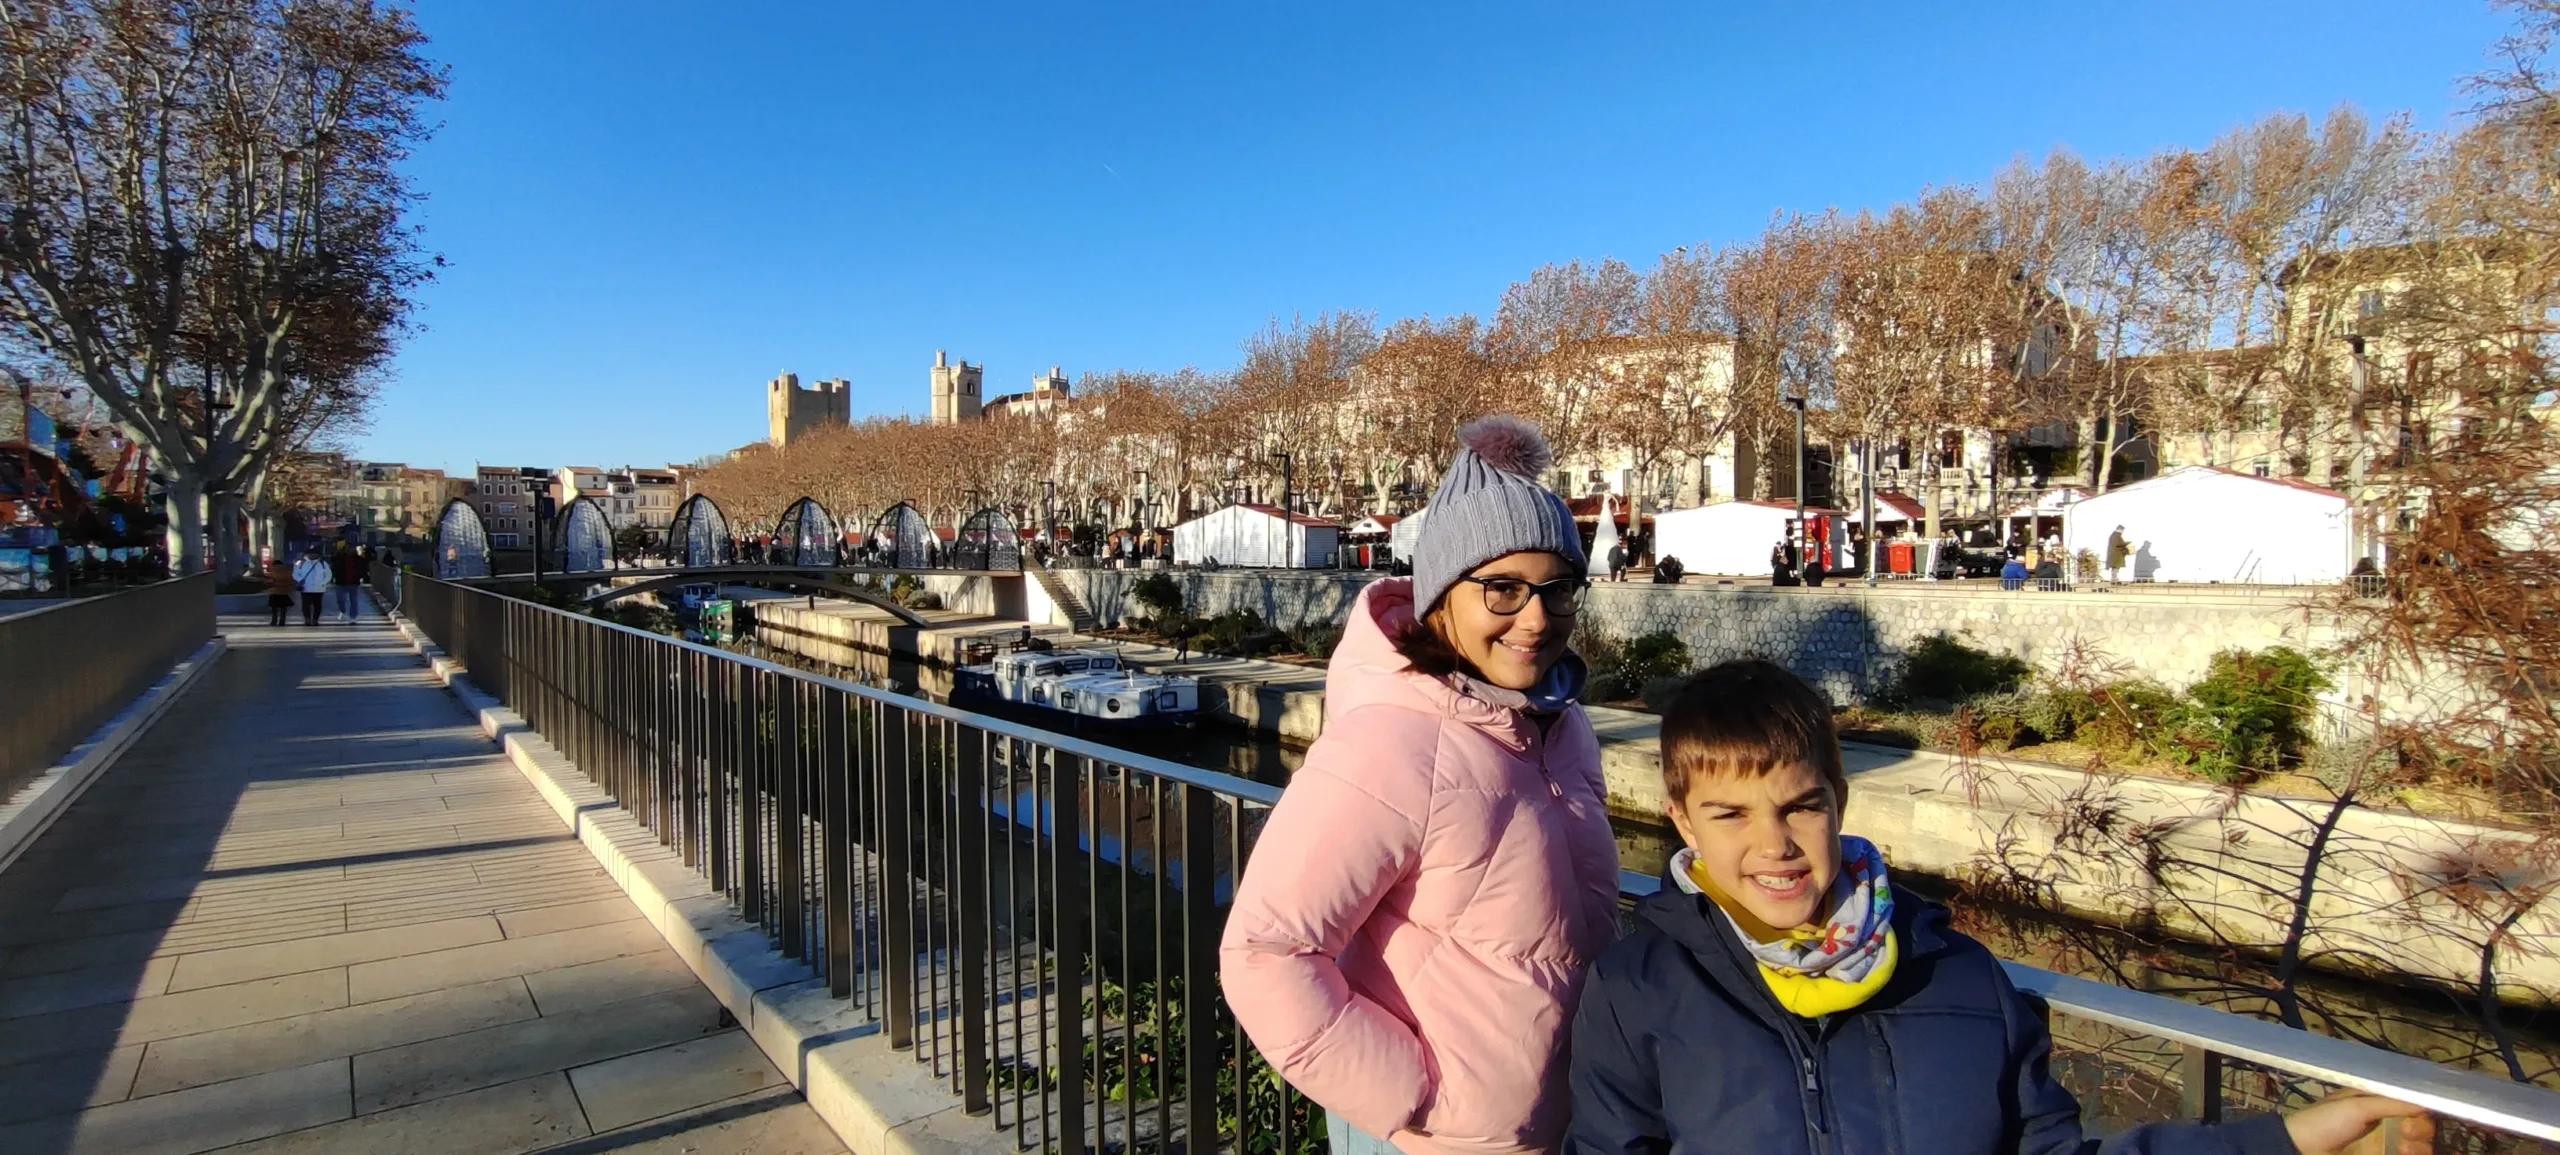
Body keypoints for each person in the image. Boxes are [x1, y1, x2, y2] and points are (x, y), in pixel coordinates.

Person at [1570, 660, 2437, 1155]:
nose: (1775, 844)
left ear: (1839, 798)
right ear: (1681, 821)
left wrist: (2286, 1140)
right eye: (1730, 814)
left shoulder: (1961, 978)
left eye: (1800, 805)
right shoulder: (1640, 986)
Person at [1222, 416, 1618, 1155]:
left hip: (1568, 1126)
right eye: (1501, 589)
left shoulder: (1563, 726)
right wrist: (1419, 1094)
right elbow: (1264, 954)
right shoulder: (1388, 742)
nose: (1536, 617)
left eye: (1556, 588)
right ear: (1440, 598)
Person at [291, 548, 330, 626]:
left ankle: (315, 619)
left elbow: (328, 575)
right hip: (306, 588)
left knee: (317, 605)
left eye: (315, 554)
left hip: (319, 589)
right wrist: (301, 580)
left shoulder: (323, 563)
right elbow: (295, 574)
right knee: (306, 605)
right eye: (311, 554)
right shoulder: (301, 563)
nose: (313, 555)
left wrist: (322, 583)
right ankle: (307, 619)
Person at [329, 543, 366, 623]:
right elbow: (333, 566)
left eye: (351, 548)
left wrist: (362, 577)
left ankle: (353, 617)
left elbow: (363, 568)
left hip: (354, 582)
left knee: (354, 600)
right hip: (341, 582)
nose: (349, 550)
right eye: (347, 548)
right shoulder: (338, 558)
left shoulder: (358, 559)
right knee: (340, 600)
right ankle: (342, 611)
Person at [263, 555, 296, 627]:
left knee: (274, 609)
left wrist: (273, 583)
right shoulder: (287, 572)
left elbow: (267, 582)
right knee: (283, 609)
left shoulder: (271, 573)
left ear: (273, 565)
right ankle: (282, 621)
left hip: (274, 592)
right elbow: (291, 582)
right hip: (284, 593)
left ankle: (274, 621)